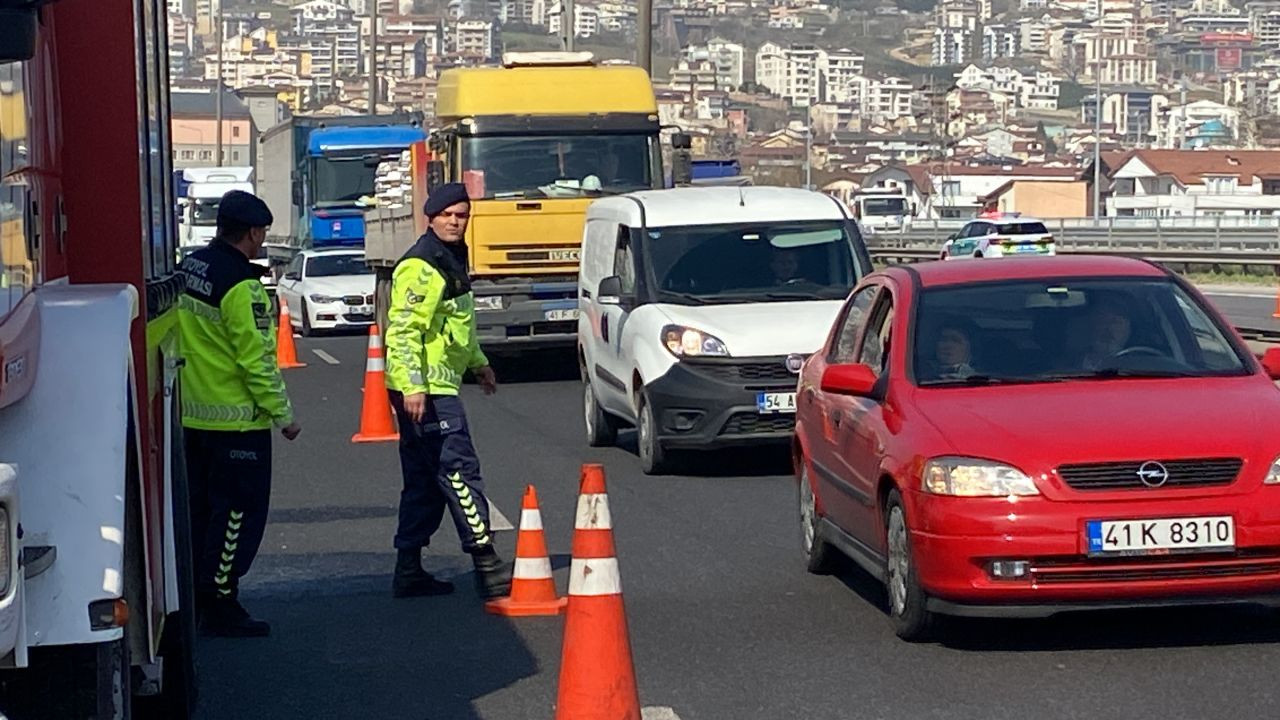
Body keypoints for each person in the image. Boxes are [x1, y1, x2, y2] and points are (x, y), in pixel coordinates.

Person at [177, 190, 301, 638]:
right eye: (262, 232)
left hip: (192, 419)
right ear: (252, 232)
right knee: (235, 519)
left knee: (201, 514)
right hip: (236, 424)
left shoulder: (191, 267)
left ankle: (196, 597)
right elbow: (256, 358)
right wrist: (282, 415)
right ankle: (222, 602)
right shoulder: (242, 286)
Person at [384, 182, 511, 600]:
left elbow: (457, 325)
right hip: (427, 389)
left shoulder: (451, 258)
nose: (455, 222)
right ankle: (487, 563)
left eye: (462, 216)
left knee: (423, 481)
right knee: (458, 472)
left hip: (436, 384)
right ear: (431, 217)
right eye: (448, 216)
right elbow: (403, 331)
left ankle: (409, 568)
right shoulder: (422, 265)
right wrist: (413, 387)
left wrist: (478, 363)